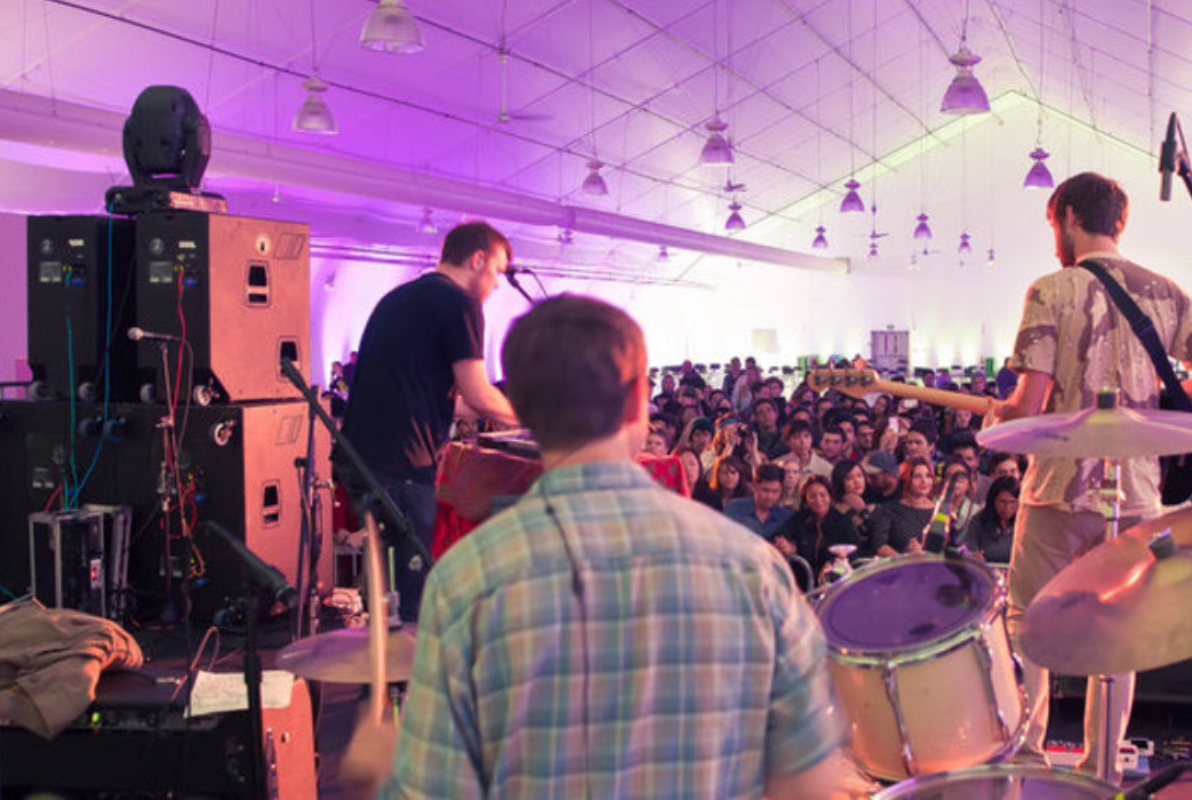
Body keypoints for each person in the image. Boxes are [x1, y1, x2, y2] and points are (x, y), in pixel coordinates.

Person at [382, 296, 857, 799]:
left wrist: (386, 772)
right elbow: (810, 783)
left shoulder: (465, 582)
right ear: (637, 403)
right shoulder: (752, 570)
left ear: (519, 413)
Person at [987, 172, 1192, 781]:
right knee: (1119, 631)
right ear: (1120, 223)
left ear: (1068, 216)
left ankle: (1029, 756)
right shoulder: (1166, 292)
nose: (1055, 238)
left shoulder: (1051, 289)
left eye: (1055, 225)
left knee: (1030, 620)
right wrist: (1147, 404)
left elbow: (1029, 404)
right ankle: (1102, 767)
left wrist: (1000, 414)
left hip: (1058, 489)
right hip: (1138, 494)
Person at [337, 222, 519, 623]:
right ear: (478, 259)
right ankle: (409, 682)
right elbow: (476, 391)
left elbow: (443, 401)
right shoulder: (459, 303)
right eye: (497, 272)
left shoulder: (402, 297)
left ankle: (381, 682)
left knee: (385, 594)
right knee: (414, 601)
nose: (496, 285)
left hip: (363, 462)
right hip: (402, 468)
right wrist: (532, 422)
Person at [723, 463, 794, 538]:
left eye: (775, 491)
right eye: (765, 490)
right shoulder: (735, 508)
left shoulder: (786, 517)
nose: (770, 496)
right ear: (754, 486)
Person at [961, 476, 1021, 563]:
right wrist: (974, 556)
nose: (1007, 508)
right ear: (993, 501)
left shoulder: (1025, 523)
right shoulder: (978, 521)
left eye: (1013, 502)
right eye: (1002, 502)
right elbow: (970, 549)